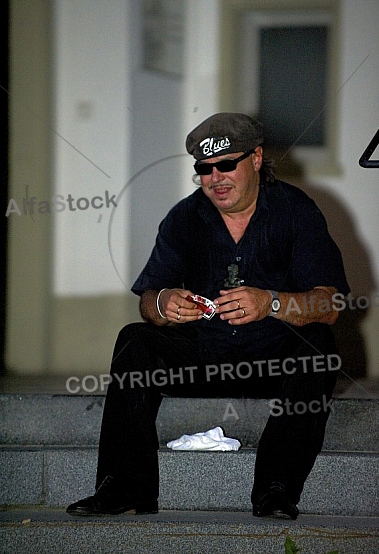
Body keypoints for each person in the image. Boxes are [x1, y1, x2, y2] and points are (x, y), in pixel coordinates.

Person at [66, 112, 349, 520]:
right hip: (204, 355)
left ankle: (276, 488)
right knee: (135, 339)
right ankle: (126, 487)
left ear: (255, 159)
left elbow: (330, 304)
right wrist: (163, 304)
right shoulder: (184, 217)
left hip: (274, 359)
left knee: (319, 347)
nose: (215, 177)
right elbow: (148, 300)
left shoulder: (296, 211)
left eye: (226, 164)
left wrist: (270, 302)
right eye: (204, 169)